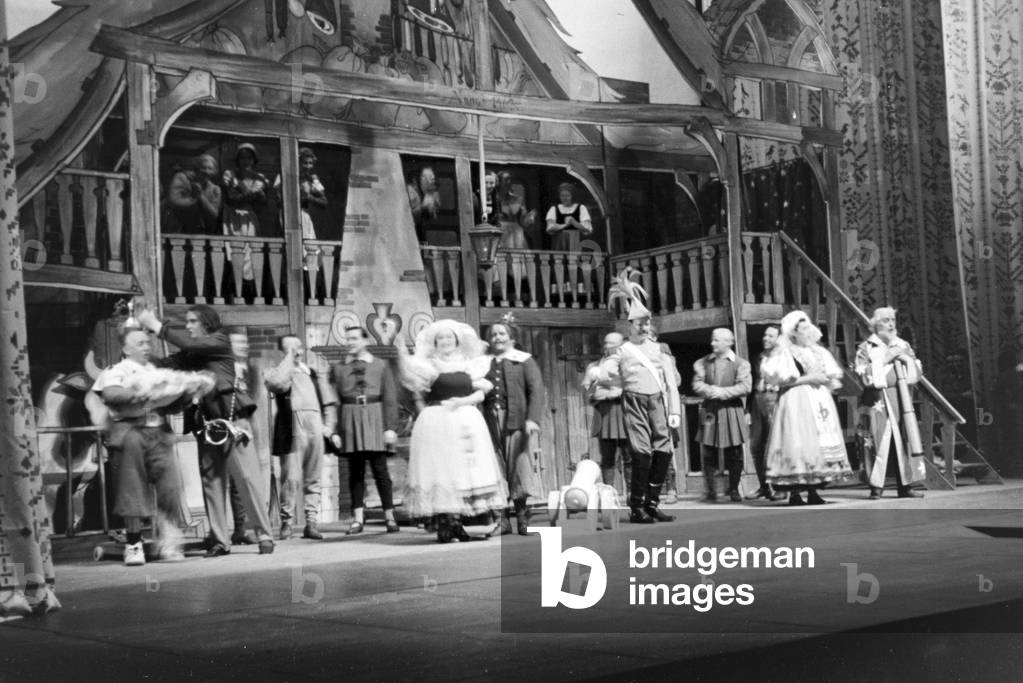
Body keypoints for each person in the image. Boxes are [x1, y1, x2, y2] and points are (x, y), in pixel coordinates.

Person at [135, 304, 276, 555]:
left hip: (232, 420)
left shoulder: (219, 340)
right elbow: (166, 364)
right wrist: (139, 355)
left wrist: (156, 325)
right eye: (187, 321)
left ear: (206, 323)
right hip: (206, 425)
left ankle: (264, 535)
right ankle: (220, 540)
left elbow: (190, 344)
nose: (188, 326)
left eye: (192, 321)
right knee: (212, 482)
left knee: (246, 478)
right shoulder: (192, 353)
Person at [92, 326, 214, 565]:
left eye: (147, 343)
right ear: (126, 348)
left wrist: (188, 392)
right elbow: (111, 395)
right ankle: (134, 544)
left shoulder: (156, 371)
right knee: (132, 490)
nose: (146, 347)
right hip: (131, 433)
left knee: (170, 487)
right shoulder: (117, 371)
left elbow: (170, 405)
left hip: (159, 432)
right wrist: (142, 392)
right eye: (140, 343)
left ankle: (169, 542)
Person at [391, 319, 507, 542]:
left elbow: (481, 392)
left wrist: (463, 402)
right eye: (441, 338)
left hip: (466, 421)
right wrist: (400, 350)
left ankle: (458, 525)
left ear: (457, 340)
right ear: (435, 343)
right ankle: (446, 525)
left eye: (449, 337)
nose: (445, 341)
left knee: (463, 474)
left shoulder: (470, 364)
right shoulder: (428, 365)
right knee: (443, 472)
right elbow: (414, 385)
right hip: (438, 423)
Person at [600, 275, 681, 524]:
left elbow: (671, 382)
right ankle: (636, 506)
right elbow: (605, 373)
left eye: (647, 324)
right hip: (634, 402)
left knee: (663, 452)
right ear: (630, 326)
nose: (644, 328)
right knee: (642, 453)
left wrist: (674, 411)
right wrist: (609, 375)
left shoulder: (659, 349)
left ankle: (652, 504)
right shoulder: (623, 350)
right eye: (639, 324)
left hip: (657, 402)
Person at [764, 311, 853, 505]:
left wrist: (825, 380)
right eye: (803, 329)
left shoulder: (818, 351)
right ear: (793, 333)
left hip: (819, 399)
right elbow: (780, 380)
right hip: (796, 400)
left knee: (816, 444)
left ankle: (813, 491)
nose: (808, 331)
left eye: (808, 327)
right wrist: (810, 378)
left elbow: (830, 375)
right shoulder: (786, 352)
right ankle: (795, 493)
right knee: (798, 441)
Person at [265, 333, 338, 540]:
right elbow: (276, 383)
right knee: (291, 477)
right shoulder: (277, 372)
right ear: (283, 352)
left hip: (314, 426)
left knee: (314, 476)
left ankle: (311, 522)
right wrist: (288, 359)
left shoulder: (311, 373)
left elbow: (328, 402)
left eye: (298, 347)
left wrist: (328, 427)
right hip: (292, 427)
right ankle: (287, 522)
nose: (296, 351)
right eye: (290, 348)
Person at [330, 327, 401, 535]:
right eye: (347, 339)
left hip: (374, 416)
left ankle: (390, 516)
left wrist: (390, 427)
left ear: (365, 340)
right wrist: (335, 430)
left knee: (380, 470)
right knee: (355, 471)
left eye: (354, 338)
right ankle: (358, 519)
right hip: (350, 417)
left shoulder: (380, 365)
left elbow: (390, 397)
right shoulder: (339, 368)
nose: (350, 342)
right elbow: (335, 401)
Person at [854, 307, 926, 499]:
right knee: (876, 442)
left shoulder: (903, 345)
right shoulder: (866, 348)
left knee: (903, 440)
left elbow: (917, 372)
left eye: (893, 319)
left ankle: (906, 486)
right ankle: (876, 487)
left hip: (901, 398)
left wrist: (904, 358)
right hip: (876, 400)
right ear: (875, 324)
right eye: (886, 320)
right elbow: (863, 375)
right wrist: (886, 358)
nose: (891, 324)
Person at [483, 317, 545, 535]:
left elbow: (536, 390)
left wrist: (532, 418)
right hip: (489, 421)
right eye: (493, 334)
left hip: (516, 419)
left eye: (502, 333)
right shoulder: (483, 362)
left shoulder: (523, 360)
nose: (497, 337)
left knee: (519, 466)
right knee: (494, 467)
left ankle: (521, 517)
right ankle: (502, 520)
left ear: (511, 337)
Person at [692, 328, 752, 503]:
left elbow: (745, 386)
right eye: (712, 340)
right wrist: (710, 390)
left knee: (734, 451)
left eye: (717, 340)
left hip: (731, 409)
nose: (712, 343)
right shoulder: (703, 362)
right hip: (710, 410)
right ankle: (710, 490)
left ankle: (733, 488)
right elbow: (697, 384)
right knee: (708, 450)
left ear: (728, 342)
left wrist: (723, 392)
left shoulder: (741, 364)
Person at [226, 328, 267, 545]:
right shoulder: (223, 368)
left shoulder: (252, 369)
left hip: (248, 425)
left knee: (244, 478)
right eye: (237, 342)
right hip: (226, 424)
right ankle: (231, 529)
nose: (243, 346)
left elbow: (256, 399)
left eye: (245, 342)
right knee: (228, 478)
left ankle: (242, 528)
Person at [582, 332, 630, 491]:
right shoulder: (593, 367)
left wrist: (615, 390)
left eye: (612, 344)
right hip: (604, 413)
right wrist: (608, 392)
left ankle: (633, 494)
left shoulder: (628, 365)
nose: (608, 347)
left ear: (621, 346)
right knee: (607, 456)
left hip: (624, 411)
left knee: (629, 455)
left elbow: (631, 387)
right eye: (606, 343)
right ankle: (609, 493)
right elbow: (588, 391)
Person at [222, 142, 269, 297]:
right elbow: (231, 198)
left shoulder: (259, 178)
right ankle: (233, 293)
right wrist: (251, 194)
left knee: (251, 253)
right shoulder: (230, 175)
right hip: (233, 218)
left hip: (249, 219)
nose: (246, 161)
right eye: (242, 158)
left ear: (254, 160)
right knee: (233, 252)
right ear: (237, 160)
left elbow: (262, 203)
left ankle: (248, 293)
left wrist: (256, 195)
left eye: (249, 158)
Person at [747, 326, 786, 501]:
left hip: (775, 399)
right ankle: (764, 487)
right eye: (765, 335)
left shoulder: (784, 357)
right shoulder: (760, 357)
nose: (766, 338)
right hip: (758, 401)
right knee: (756, 446)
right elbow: (754, 383)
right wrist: (748, 408)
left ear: (779, 338)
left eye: (770, 335)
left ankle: (781, 487)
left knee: (776, 445)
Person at [274, 146, 327, 274]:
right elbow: (279, 200)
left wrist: (308, 196)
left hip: (304, 216)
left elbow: (324, 201)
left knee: (309, 251)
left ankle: (309, 280)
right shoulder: (285, 176)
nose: (308, 166)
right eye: (304, 163)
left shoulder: (311, 180)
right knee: (294, 253)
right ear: (298, 162)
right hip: (290, 215)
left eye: (310, 163)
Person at [166, 153, 222, 234]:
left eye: (210, 168)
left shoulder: (215, 189)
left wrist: (201, 196)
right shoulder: (183, 179)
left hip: (204, 233)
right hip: (180, 230)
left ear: (214, 171)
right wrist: (193, 199)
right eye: (203, 168)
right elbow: (173, 201)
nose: (206, 171)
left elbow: (214, 215)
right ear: (197, 168)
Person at [545, 182, 592, 252]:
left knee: (574, 257)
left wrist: (574, 222)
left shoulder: (581, 208)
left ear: (572, 196)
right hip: (559, 243)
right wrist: (565, 225)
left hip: (576, 241)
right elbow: (550, 228)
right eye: (562, 196)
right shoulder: (554, 209)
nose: (565, 198)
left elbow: (587, 229)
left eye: (567, 195)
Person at [407, 166, 442, 243]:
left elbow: (433, 215)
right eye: (425, 178)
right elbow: (406, 217)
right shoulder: (410, 191)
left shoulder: (428, 193)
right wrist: (424, 208)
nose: (430, 182)